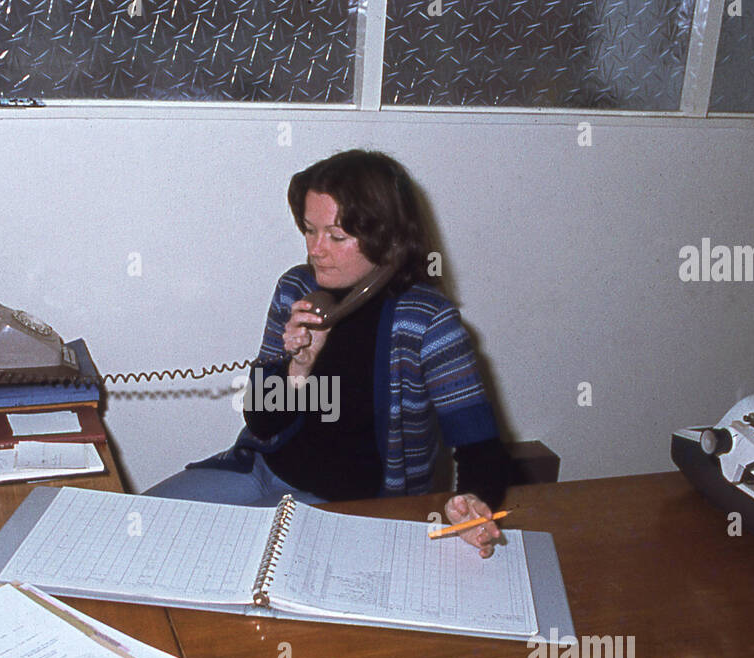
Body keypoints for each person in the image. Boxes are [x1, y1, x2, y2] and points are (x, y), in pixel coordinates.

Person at [145, 149, 509, 557]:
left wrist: (474, 503)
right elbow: (261, 423)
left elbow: (480, 447)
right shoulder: (297, 291)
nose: (316, 250)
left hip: (348, 507)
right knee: (134, 526)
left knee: (215, 562)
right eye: (309, 230)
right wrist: (299, 367)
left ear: (387, 239)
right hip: (262, 471)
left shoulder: (427, 321)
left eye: (336, 237)